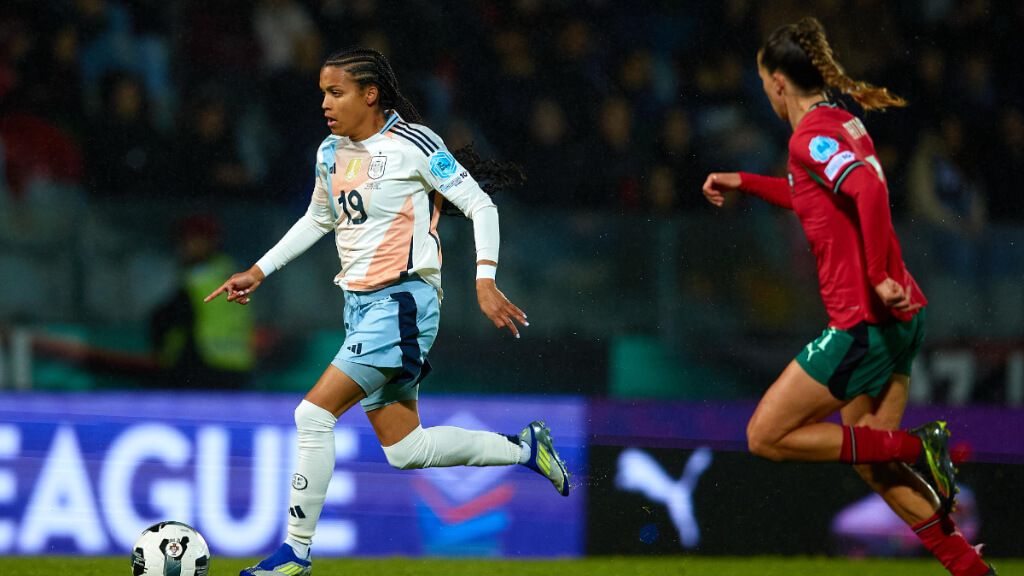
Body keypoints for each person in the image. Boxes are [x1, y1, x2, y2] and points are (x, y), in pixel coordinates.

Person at [204, 48, 570, 576]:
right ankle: (525, 449)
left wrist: (484, 279)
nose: (326, 105)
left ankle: (295, 554)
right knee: (407, 449)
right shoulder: (330, 152)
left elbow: (482, 205)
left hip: (402, 302)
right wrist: (260, 270)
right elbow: (317, 217)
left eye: (336, 93)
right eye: (323, 95)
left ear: (369, 94)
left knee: (312, 415)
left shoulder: (414, 145)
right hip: (360, 307)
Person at [701, 18, 995, 576]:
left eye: (764, 79)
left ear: (778, 83)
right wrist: (745, 181)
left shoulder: (807, 135)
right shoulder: (840, 123)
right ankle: (970, 568)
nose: (764, 89)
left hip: (863, 321)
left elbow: (865, 187)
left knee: (765, 435)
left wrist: (880, 272)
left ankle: (919, 449)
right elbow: (815, 196)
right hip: (900, 318)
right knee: (871, 460)